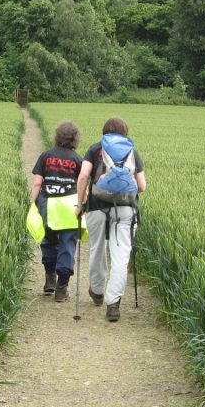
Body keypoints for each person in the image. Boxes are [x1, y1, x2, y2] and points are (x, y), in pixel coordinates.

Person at [76, 116, 146, 322]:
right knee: (121, 255)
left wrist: (80, 204)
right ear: (125, 132)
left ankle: (97, 292)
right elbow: (141, 186)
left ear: (105, 131)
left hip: (96, 207)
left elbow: (82, 177)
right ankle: (113, 304)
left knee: (97, 248)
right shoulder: (131, 151)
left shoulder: (95, 148)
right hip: (125, 209)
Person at [31, 121, 83, 302]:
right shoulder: (78, 159)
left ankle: (49, 279)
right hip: (69, 205)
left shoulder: (46, 155)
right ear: (75, 139)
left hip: (48, 203)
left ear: (57, 136)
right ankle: (62, 288)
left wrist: (32, 204)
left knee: (49, 240)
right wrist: (82, 204)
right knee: (68, 242)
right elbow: (83, 184)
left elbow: (37, 182)